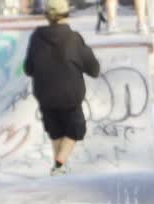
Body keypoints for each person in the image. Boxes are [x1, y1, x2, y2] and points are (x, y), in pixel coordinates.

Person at [22, 0, 101, 177]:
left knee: (56, 131)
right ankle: (59, 165)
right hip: (70, 96)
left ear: (47, 16)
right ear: (67, 14)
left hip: (45, 95)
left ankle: (59, 166)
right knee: (75, 130)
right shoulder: (74, 38)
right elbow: (94, 69)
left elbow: (28, 68)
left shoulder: (36, 37)